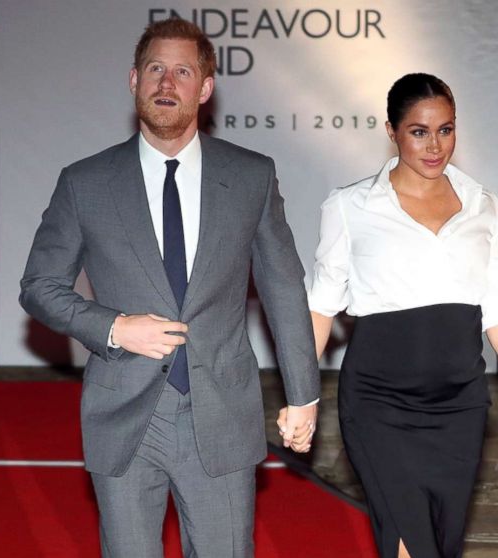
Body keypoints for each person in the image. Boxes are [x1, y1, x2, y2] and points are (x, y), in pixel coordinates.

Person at [19, 18, 319, 558]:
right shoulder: (85, 182)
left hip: (221, 412)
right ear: (134, 79)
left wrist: (303, 395)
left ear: (204, 89)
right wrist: (113, 327)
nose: (166, 83)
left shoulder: (250, 176)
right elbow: (39, 286)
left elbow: (284, 288)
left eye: (182, 72)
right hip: (125, 414)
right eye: (155, 69)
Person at [298, 73, 498, 558]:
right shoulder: (350, 206)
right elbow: (320, 306)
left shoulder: (483, 206)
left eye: (446, 130)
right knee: (409, 545)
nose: (435, 145)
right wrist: (301, 395)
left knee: (440, 543)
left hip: (459, 405)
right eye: (419, 131)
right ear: (393, 131)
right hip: (378, 404)